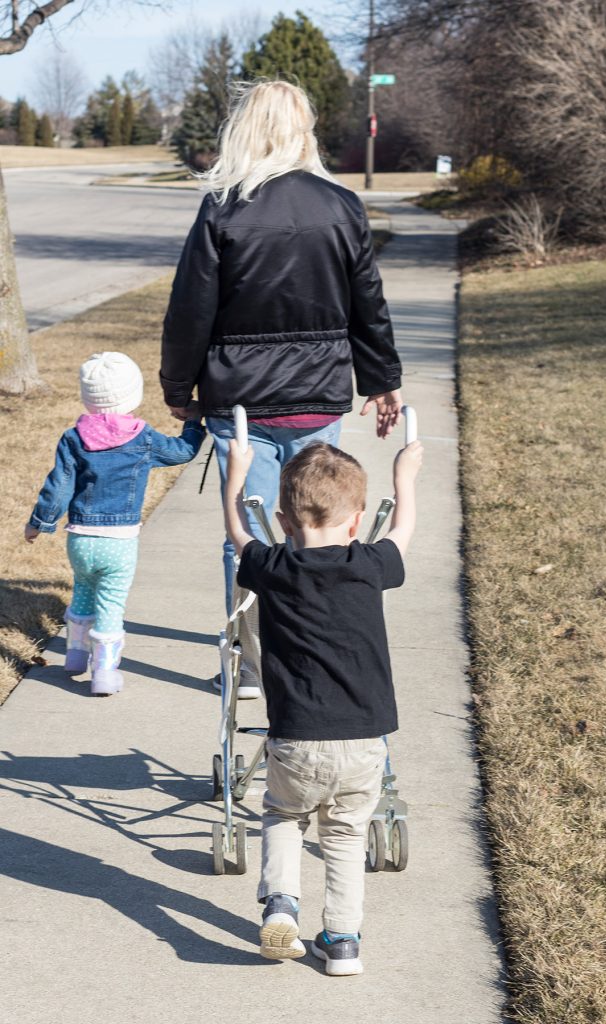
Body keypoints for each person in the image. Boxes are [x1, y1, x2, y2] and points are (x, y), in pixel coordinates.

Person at [160, 80, 403, 697]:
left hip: (238, 399)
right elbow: (366, 302)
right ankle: (304, 648)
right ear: (304, 130)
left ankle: (248, 662)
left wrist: (176, 385)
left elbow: (190, 308)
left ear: (243, 129)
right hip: (316, 397)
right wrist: (380, 381)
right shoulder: (341, 204)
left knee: (247, 528)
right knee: (312, 524)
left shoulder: (223, 206)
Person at [225, 436, 423, 976]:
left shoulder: (271, 566)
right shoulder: (370, 563)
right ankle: (341, 944)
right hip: (364, 740)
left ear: (285, 521)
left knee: (284, 815)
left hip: (294, 736)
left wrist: (236, 477)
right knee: (344, 835)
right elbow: (402, 534)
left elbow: (238, 534)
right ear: (357, 521)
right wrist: (405, 475)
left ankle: (282, 904)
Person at [25, 352, 205, 696]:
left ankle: (75, 657)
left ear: (86, 396)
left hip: (80, 538)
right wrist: (194, 423)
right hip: (119, 541)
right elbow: (182, 452)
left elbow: (58, 485)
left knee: (83, 589)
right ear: (133, 395)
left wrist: (40, 523)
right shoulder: (143, 438)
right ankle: (104, 673)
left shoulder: (73, 438)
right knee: (111, 603)